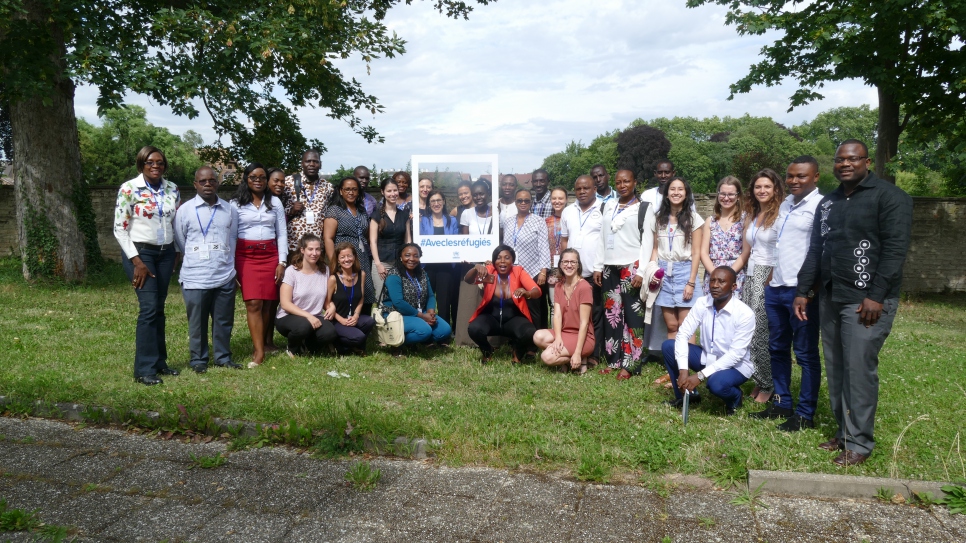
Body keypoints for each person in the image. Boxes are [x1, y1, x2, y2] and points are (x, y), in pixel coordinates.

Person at [795, 139, 912, 466]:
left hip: (866, 301)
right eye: (839, 160)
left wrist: (876, 295)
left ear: (867, 161)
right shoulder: (829, 202)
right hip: (832, 296)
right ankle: (844, 432)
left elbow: (894, 251)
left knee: (858, 369)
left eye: (852, 159)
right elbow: (817, 249)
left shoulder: (890, 198)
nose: (845, 164)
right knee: (837, 368)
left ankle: (859, 443)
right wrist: (804, 290)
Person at [752, 156, 824, 430]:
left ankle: (805, 413)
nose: (794, 181)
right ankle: (782, 403)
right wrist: (772, 277)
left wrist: (807, 290)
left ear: (815, 177)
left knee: (805, 353)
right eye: (791, 176)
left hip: (801, 292)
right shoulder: (785, 205)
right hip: (777, 288)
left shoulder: (820, 206)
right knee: (777, 348)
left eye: (801, 176)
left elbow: (819, 252)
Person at [114, 145, 181, 386]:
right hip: (141, 253)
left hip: (165, 253)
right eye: (150, 162)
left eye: (160, 163)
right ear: (141, 164)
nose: (156, 166)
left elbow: (176, 223)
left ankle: (159, 362)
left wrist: (176, 252)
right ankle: (143, 369)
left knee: (159, 309)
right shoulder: (129, 189)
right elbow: (119, 229)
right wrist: (137, 262)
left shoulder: (172, 189)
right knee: (149, 308)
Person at [174, 167, 241, 374]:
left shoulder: (230, 210)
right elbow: (180, 241)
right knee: (197, 322)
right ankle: (198, 359)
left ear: (217, 183)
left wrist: (229, 265)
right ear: (195, 184)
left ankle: (223, 357)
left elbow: (232, 239)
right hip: (195, 277)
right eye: (202, 181)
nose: (208, 184)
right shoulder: (184, 210)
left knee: (223, 320)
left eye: (212, 180)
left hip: (224, 275)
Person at [661, 267, 755, 415]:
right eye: (712, 280)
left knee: (716, 384)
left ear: (734, 287)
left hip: (735, 366)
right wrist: (683, 370)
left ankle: (735, 398)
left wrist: (700, 376)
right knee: (668, 346)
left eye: (721, 281)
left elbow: (735, 355)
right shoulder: (702, 303)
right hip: (707, 357)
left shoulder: (745, 314)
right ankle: (688, 396)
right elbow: (683, 334)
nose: (715, 285)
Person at [592, 169, 655, 379]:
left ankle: (631, 363)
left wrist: (642, 270)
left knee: (632, 317)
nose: (622, 185)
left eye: (626, 181)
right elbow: (602, 238)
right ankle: (614, 359)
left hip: (632, 266)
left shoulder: (644, 208)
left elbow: (647, 243)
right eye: (618, 182)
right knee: (613, 316)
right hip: (610, 267)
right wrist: (598, 266)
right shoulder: (608, 205)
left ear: (635, 182)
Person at [231, 162, 288, 368]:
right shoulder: (236, 203)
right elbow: (231, 235)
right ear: (246, 178)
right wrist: (232, 264)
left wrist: (282, 261)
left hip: (270, 255)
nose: (258, 180)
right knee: (253, 302)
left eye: (262, 177)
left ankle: (263, 343)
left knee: (268, 303)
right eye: (253, 177)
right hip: (246, 256)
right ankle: (259, 352)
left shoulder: (275, 202)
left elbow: (282, 233)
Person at [742, 169, 784, 403]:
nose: (762, 190)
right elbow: (747, 251)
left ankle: (769, 385)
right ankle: (760, 379)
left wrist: (772, 276)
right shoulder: (753, 214)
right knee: (751, 330)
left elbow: (783, 249)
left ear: (775, 189)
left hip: (768, 275)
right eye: (758, 187)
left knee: (762, 332)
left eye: (767, 186)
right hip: (750, 274)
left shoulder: (780, 214)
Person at [465, 245, 540, 364]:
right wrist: (476, 268)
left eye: (507, 258)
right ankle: (487, 351)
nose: (503, 261)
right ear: (494, 261)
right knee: (474, 329)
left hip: (513, 319)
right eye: (498, 258)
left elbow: (537, 290)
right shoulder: (489, 271)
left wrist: (527, 293)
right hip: (491, 318)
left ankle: (517, 354)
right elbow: (468, 280)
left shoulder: (518, 271)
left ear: (512, 261)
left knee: (529, 332)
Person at [652, 177, 704, 340]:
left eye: (680, 189)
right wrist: (653, 272)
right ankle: (673, 363)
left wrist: (691, 282)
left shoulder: (694, 219)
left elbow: (696, 253)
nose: (676, 192)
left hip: (684, 272)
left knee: (686, 324)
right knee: (672, 325)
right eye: (672, 189)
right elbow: (655, 248)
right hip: (663, 274)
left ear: (686, 193)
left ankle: (686, 364)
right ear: (666, 194)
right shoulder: (658, 218)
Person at [560, 175, 604, 364]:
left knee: (596, 313)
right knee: (574, 314)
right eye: (578, 189)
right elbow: (564, 240)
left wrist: (599, 266)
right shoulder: (568, 211)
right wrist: (564, 268)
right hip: (572, 273)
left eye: (586, 188)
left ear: (595, 188)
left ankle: (594, 353)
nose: (582, 192)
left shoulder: (604, 208)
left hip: (594, 272)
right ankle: (573, 348)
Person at [382, 243, 452, 353]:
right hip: (396, 314)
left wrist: (430, 313)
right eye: (407, 255)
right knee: (424, 330)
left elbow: (430, 295)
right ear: (401, 257)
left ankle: (414, 340)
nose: (411, 259)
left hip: (419, 312)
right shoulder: (394, 275)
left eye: (416, 256)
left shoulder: (422, 273)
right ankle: (395, 342)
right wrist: (423, 317)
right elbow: (398, 302)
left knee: (445, 330)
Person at [533, 248, 595, 373]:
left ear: (578, 265)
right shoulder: (559, 286)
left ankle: (580, 357)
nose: (569, 265)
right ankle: (570, 359)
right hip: (565, 332)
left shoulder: (584, 287)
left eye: (573, 262)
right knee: (538, 336)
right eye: (565, 262)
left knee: (547, 357)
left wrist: (577, 352)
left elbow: (584, 323)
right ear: (560, 264)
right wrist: (558, 338)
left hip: (583, 337)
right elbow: (557, 316)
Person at [276, 234, 337, 356]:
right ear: (302, 250)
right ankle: (292, 348)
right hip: (289, 316)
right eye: (310, 249)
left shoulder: (324, 270)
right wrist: (308, 316)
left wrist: (332, 306)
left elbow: (326, 298)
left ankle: (308, 346)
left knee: (330, 333)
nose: (314, 253)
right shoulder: (291, 272)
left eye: (317, 249)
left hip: (315, 316)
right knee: (303, 327)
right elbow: (285, 304)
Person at [501, 188, 550, 329]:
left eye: (526, 200)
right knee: (514, 305)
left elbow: (543, 247)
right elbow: (505, 246)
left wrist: (543, 271)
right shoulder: (508, 222)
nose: (523, 203)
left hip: (532, 271)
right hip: (513, 271)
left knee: (533, 307)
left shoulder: (538, 221)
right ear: (515, 202)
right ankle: (517, 337)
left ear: (531, 202)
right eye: (520, 200)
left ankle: (536, 339)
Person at [323, 176, 375, 309]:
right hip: (344, 257)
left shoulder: (361, 210)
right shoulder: (334, 210)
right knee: (346, 291)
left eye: (354, 189)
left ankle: (363, 323)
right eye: (347, 189)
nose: (350, 192)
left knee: (364, 290)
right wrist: (334, 261)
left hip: (361, 256)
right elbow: (328, 238)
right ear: (340, 191)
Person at [699, 176, 749, 297]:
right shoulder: (710, 221)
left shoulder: (745, 219)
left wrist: (728, 274)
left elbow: (746, 252)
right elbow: (703, 253)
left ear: (738, 196)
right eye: (723, 194)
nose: (726, 198)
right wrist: (716, 275)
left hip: (736, 274)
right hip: (713, 274)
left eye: (731, 194)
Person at [326, 242, 375, 355]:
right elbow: (327, 303)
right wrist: (340, 319)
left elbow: (361, 297)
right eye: (342, 257)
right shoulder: (333, 279)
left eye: (349, 256)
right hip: (337, 320)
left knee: (369, 321)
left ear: (354, 257)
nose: (346, 259)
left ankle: (355, 346)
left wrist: (357, 315)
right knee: (359, 336)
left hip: (353, 317)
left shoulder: (361, 274)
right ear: (338, 260)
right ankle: (340, 345)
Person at [420, 189, 460, 324]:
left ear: (443, 202)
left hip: (446, 266)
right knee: (427, 300)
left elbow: (456, 243)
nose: (436, 203)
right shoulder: (423, 221)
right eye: (433, 201)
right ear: (428, 204)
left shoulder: (452, 221)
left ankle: (444, 331)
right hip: (427, 266)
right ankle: (427, 328)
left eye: (438, 200)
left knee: (444, 301)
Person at [283, 149, 333, 253]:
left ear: (320, 164)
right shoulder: (288, 182)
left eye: (315, 161)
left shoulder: (327, 187)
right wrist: (291, 210)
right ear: (302, 163)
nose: (312, 164)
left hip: (317, 246)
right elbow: (276, 210)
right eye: (308, 161)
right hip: (294, 244)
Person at [369, 177, 411, 299]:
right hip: (382, 262)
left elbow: (408, 240)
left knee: (400, 298)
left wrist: (407, 261)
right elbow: (373, 241)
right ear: (383, 192)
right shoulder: (376, 215)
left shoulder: (404, 215)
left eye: (395, 190)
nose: (393, 194)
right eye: (389, 191)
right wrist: (378, 264)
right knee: (382, 298)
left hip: (400, 263)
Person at [265, 167, 288, 351]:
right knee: (262, 301)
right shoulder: (257, 200)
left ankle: (269, 340)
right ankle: (262, 340)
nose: (279, 184)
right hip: (260, 256)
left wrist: (282, 260)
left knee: (273, 300)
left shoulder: (281, 200)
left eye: (282, 181)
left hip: (277, 255)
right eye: (276, 181)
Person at [545, 187, 569, 306]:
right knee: (555, 305)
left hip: (569, 267)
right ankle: (555, 326)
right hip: (552, 269)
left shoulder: (571, 218)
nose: (557, 201)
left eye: (560, 198)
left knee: (570, 305)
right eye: (554, 198)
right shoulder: (546, 221)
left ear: (566, 200)